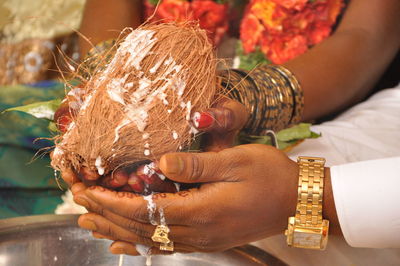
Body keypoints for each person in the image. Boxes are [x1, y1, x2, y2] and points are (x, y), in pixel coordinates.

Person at [59, 0, 400, 265]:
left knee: (254, 230)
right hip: (161, 100)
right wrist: (113, 99)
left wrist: (241, 97)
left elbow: (368, 36)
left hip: (328, 105)